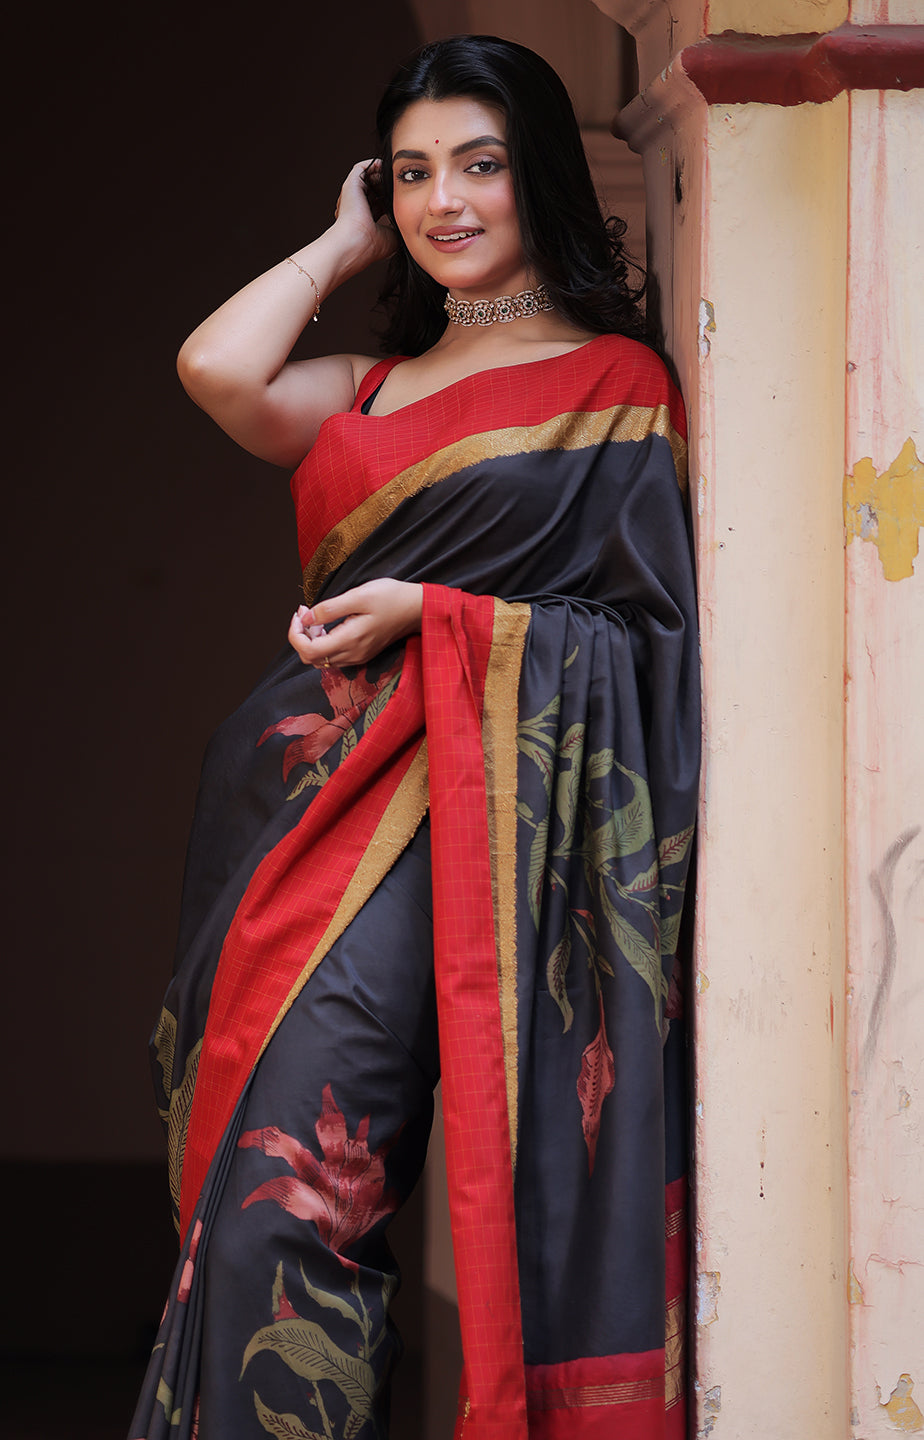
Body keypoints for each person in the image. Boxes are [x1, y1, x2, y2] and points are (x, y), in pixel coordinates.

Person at [129, 34, 699, 1440]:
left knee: (306, 1197)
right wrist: (337, 246)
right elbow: (217, 366)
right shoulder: (371, 390)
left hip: (471, 823)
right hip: (298, 833)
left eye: (482, 165)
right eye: (414, 172)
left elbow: (655, 647)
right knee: (265, 1218)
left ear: (542, 176)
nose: (447, 199)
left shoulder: (614, 389)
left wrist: (438, 611)